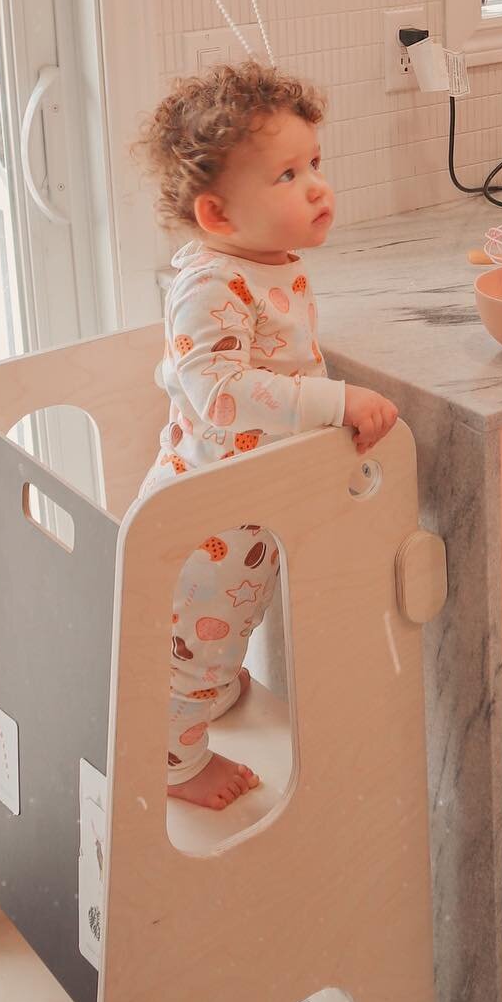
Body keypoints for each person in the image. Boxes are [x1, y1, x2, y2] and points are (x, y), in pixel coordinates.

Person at [134, 63, 399, 810]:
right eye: (287, 175)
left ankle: (212, 687)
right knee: (193, 652)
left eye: (314, 164)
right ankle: (175, 767)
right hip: (206, 520)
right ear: (218, 216)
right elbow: (218, 393)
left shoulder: (262, 263)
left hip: (245, 509)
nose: (317, 186)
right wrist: (332, 399)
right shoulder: (212, 281)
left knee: (222, 632)